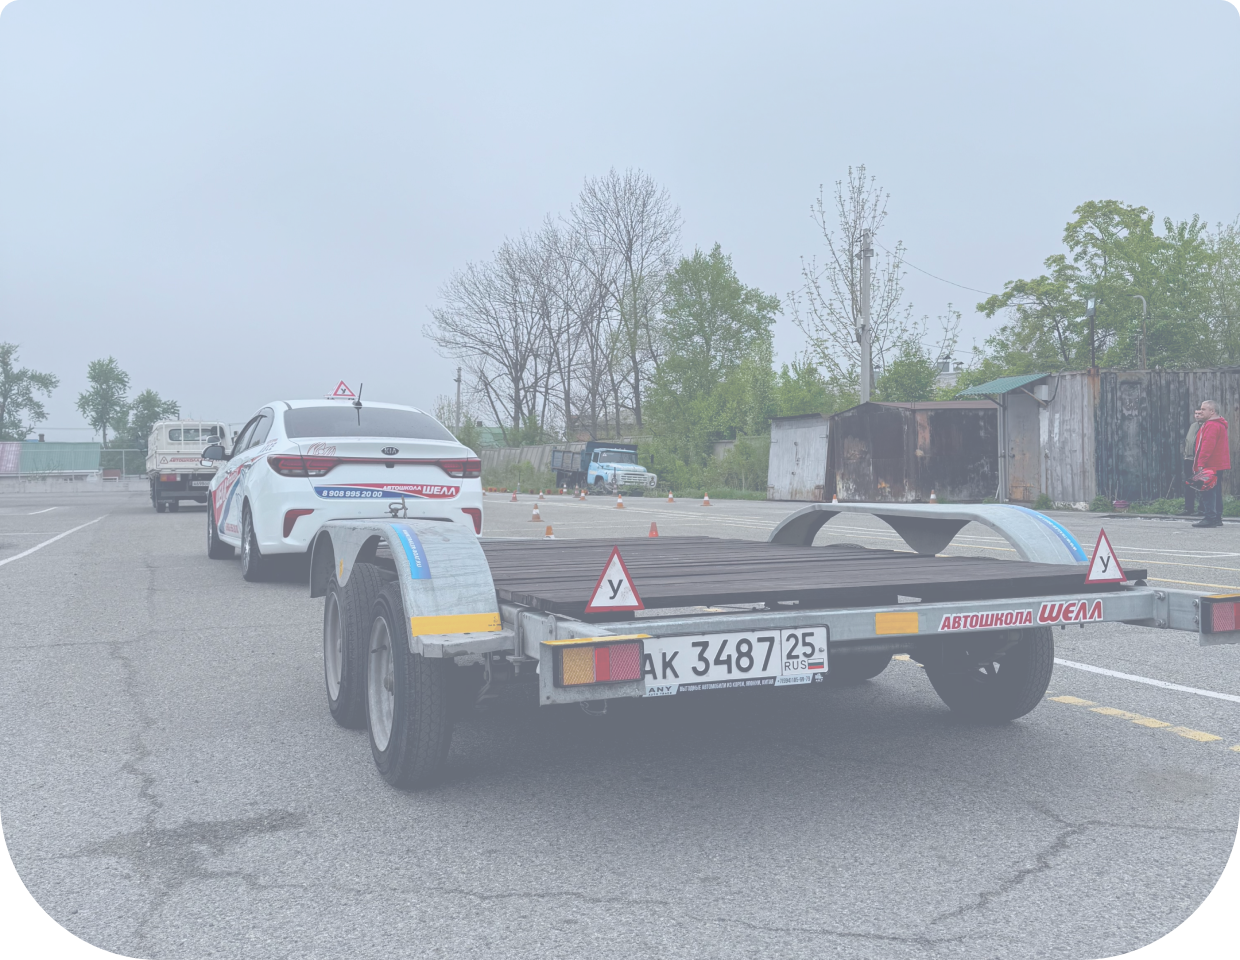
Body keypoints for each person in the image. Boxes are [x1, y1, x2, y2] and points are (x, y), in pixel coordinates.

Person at [1193, 400, 1230, 528]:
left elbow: (1207, 446)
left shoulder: (1211, 425)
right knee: (1216, 490)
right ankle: (1217, 517)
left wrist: (1201, 463)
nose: (1201, 411)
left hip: (1210, 464)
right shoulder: (1220, 424)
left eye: (1204, 409)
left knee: (1207, 490)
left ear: (1212, 411)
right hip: (1218, 464)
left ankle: (1210, 517)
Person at [1182, 406, 1205, 516]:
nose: (1197, 415)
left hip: (1199, 460)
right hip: (1189, 459)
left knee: (1201, 484)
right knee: (1189, 484)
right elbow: (1188, 441)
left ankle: (1202, 509)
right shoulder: (1193, 426)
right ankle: (1188, 508)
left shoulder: (1207, 426)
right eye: (1196, 413)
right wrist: (1186, 455)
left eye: (1200, 413)